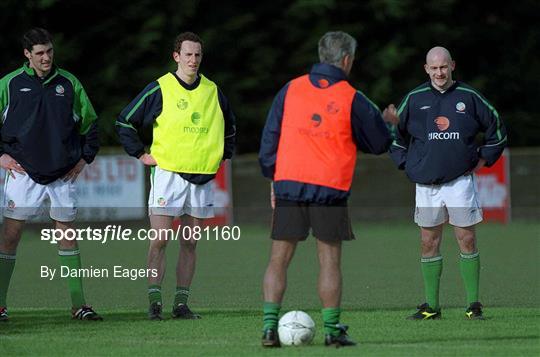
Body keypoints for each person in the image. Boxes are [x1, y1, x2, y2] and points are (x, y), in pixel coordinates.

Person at [259, 31, 393, 347]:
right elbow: (379, 143)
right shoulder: (353, 97)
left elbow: (269, 139)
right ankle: (332, 331)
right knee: (329, 261)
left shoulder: (290, 89)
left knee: (278, 259)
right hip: (329, 188)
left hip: (290, 183)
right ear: (347, 60)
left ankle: (268, 328)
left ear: (322, 56)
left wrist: (272, 178)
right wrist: (388, 122)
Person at [116, 31, 236, 321]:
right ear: (176, 56)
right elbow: (124, 120)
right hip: (168, 176)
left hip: (202, 178)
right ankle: (154, 302)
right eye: (188, 54)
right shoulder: (160, 87)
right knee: (159, 240)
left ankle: (181, 304)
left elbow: (230, 127)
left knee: (190, 242)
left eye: (197, 55)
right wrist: (140, 154)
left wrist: (222, 155)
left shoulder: (213, 90)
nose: (193, 60)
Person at [387, 46, 507, 320]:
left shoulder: (470, 96)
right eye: (434, 68)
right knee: (428, 242)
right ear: (426, 69)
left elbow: (497, 127)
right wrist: (406, 163)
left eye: (443, 67)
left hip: (460, 183)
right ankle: (431, 306)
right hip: (426, 186)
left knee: (466, 238)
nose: (439, 72)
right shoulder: (414, 99)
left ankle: (473, 305)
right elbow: (394, 133)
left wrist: (485, 159)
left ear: (452, 65)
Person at [0, 28, 101, 321]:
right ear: (27, 55)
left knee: (68, 236)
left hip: (62, 174)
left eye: (50, 52)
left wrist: (84, 158)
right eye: (40, 53)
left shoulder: (69, 83)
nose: (46, 58)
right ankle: (1, 305)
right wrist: (2, 155)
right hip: (22, 173)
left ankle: (79, 305)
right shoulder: (9, 84)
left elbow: (91, 124)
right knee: (10, 236)